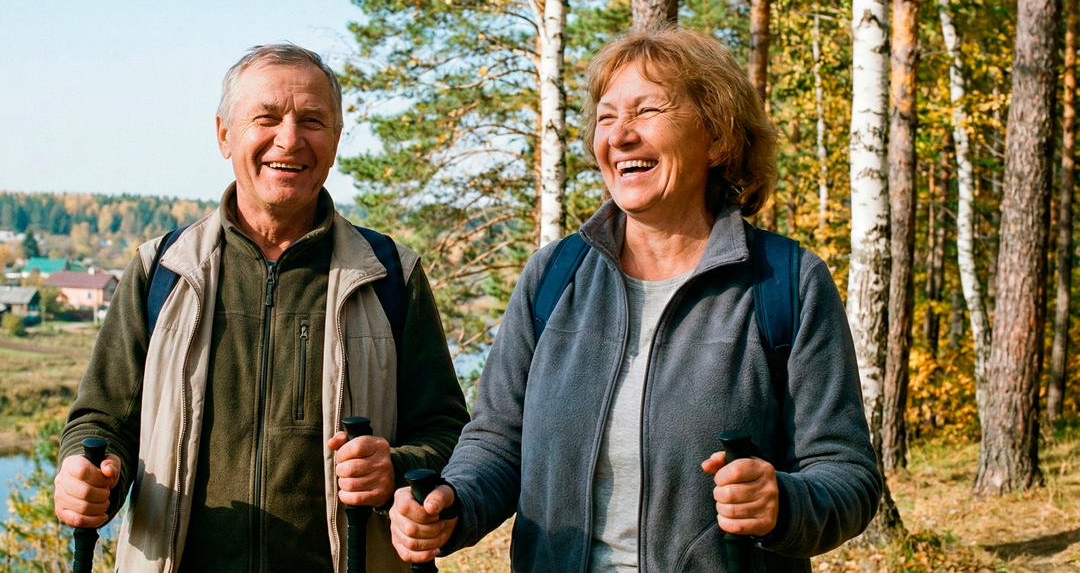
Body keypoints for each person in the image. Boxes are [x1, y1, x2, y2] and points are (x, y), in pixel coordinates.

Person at [388, 28, 881, 572]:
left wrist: (783, 503)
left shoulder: (787, 282)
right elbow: (498, 442)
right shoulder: (553, 276)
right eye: (605, 117)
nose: (619, 136)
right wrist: (450, 504)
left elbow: (847, 475)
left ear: (717, 139)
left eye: (646, 111)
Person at [53, 44, 470, 573]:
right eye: (266, 118)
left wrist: (397, 467)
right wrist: (87, 479)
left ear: (336, 140)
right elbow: (101, 422)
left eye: (313, 121)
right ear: (225, 134)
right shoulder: (160, 270)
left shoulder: (391, 275)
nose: (290, 139)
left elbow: (449, 430)